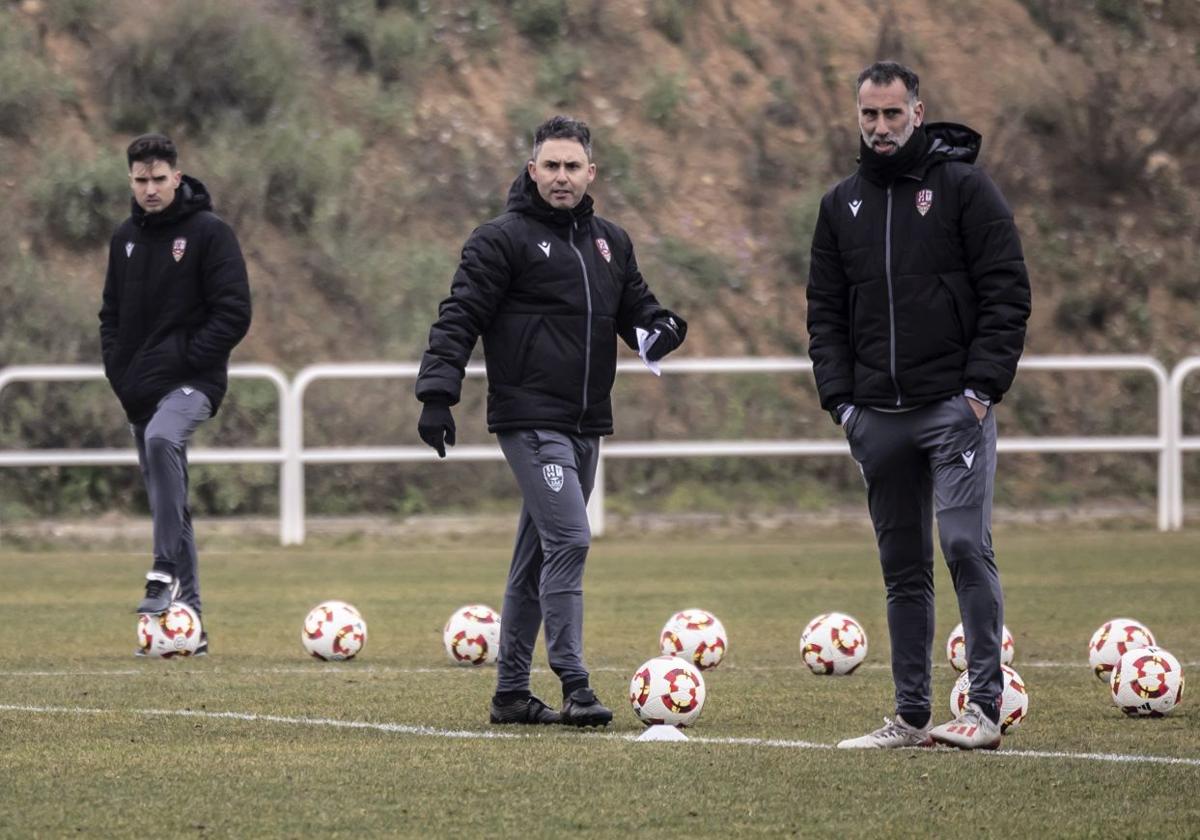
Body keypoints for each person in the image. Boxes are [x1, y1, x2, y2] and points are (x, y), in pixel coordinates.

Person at [415, 115, 687, 726]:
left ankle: (511, 694)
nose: (561, 177)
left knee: (537, 556)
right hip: (531, 420)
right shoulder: (501, 239)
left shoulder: (611, 241)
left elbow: (637, 310)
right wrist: (438, 392)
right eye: (551, 166)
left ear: (591, 173)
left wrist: (664, 327)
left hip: (587, 421)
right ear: (532, 169)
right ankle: (576, 682)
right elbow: (458, 315)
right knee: (571, 538)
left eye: (572, 167)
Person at [806, 62, 1031, 749]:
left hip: (952, 409)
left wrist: (981, 389)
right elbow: (824, 312)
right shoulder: (840, 203)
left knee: (965, 544)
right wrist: (843, 404)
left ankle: (985, 713)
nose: (880, 128)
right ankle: (910, 718)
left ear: (917, 112)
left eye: (892, 115)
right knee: (903, 567)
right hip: (877, 417)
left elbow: (1006, 289)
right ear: (858, 117)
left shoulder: (962, 189)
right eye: (869, 116)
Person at [99, 133, 252, 655]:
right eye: (140, 180)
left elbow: (234, 313)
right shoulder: (125, 239)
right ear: (131, 180)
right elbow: (111, 318)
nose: (150, 189)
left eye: (159, 178)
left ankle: (163, 570)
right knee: (172, 502)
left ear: (176, 177)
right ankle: (192, 625)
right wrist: (121, 372)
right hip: (139, 388)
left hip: (195, 381)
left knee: (165, 439)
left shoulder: (210, 233)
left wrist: (185, 357)